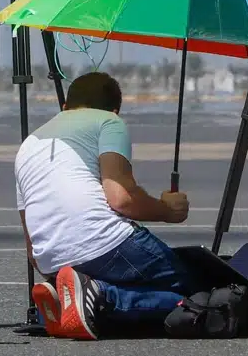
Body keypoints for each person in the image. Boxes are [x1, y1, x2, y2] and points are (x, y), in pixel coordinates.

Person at [16, 71, 196, 340]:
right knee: (195, 292)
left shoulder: (28, 145)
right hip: (104, 242)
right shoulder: (108, 121)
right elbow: (120, 198)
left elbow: (31, 244)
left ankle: (66, 299)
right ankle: (102, 296)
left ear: (65, 107)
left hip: (52, 260)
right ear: (115, 110)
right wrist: (168, 210)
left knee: (131, 285)